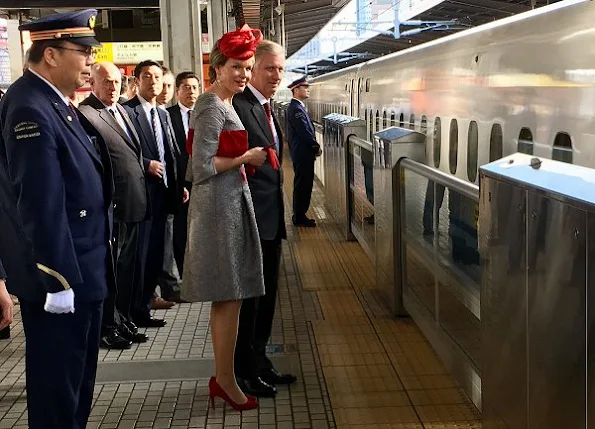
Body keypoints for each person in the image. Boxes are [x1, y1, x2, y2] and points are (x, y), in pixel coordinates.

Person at [0, 9, 114, 429]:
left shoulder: (53, 103)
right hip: (63, 283)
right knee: (57, 393)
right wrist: (59, 281)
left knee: (76, 386)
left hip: (84, 271)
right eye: (82, 52)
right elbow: (40, 204)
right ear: (50, 55)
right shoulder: (30, 107)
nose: (89, 61)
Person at [183, 24, 267, 411]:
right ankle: (225, 380)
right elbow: (200, 166)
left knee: (231, 296)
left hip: (229, 205)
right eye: (236, 66)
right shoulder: (210, 105)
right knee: (227, 297)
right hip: (217, 210)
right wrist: (246, 159)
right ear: (217, 67)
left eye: (248, 68)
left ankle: (225, 377)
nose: (243, 75)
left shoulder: (225, 105)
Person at [233, 39, 297, 398]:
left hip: (270, 219)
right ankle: (244, 370)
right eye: (269, 68)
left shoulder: (267, 107)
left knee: (268, 295)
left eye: (280, 69)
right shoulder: (239, 107)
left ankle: (260, 360)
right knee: (251, 300)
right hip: (251, 220)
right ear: (251, 69)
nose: (276, 76)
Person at [79, 61, 150, 347]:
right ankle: (108, 326)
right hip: (113, 207)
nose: (112, 86)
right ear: (92, 83)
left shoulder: (120, 109)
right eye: (106, 81)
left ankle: (123, 320)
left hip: (133, 201)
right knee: (113, 270)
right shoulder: (87, 114)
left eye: (116, 81)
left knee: (127, 269)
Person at [123, 60, 187, 328]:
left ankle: (145, 306)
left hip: (163, 194)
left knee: (156, 254)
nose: (153, 82)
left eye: (157, 77)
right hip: (140, 195)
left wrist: (178, 184)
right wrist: (146, 163)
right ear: (137, 81)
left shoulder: (162, 114)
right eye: (146, 76)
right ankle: (131, 310)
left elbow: (171, 153)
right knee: (138, 256)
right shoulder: (128, 112)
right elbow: (123, 155)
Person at [168, 71, 200, 278]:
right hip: (180, 183)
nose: (191, 92)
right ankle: (184, 275)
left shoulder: (205, 114)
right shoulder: (166, 115)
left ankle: (202, 275)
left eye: (195, 87)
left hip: (204, 181)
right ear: (177, 91)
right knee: (180, 232)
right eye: (186, 87)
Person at [286, 76, 320, 227]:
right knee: (303, 185)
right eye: (305, 87)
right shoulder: (296, 109)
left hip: (301, 153)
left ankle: (300, 215)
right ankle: (299, 217)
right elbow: (304, 132)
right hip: (303, 153)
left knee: (303, 184)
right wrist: (315, 146)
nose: (308, 89)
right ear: (296, 90)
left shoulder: (297, 107)